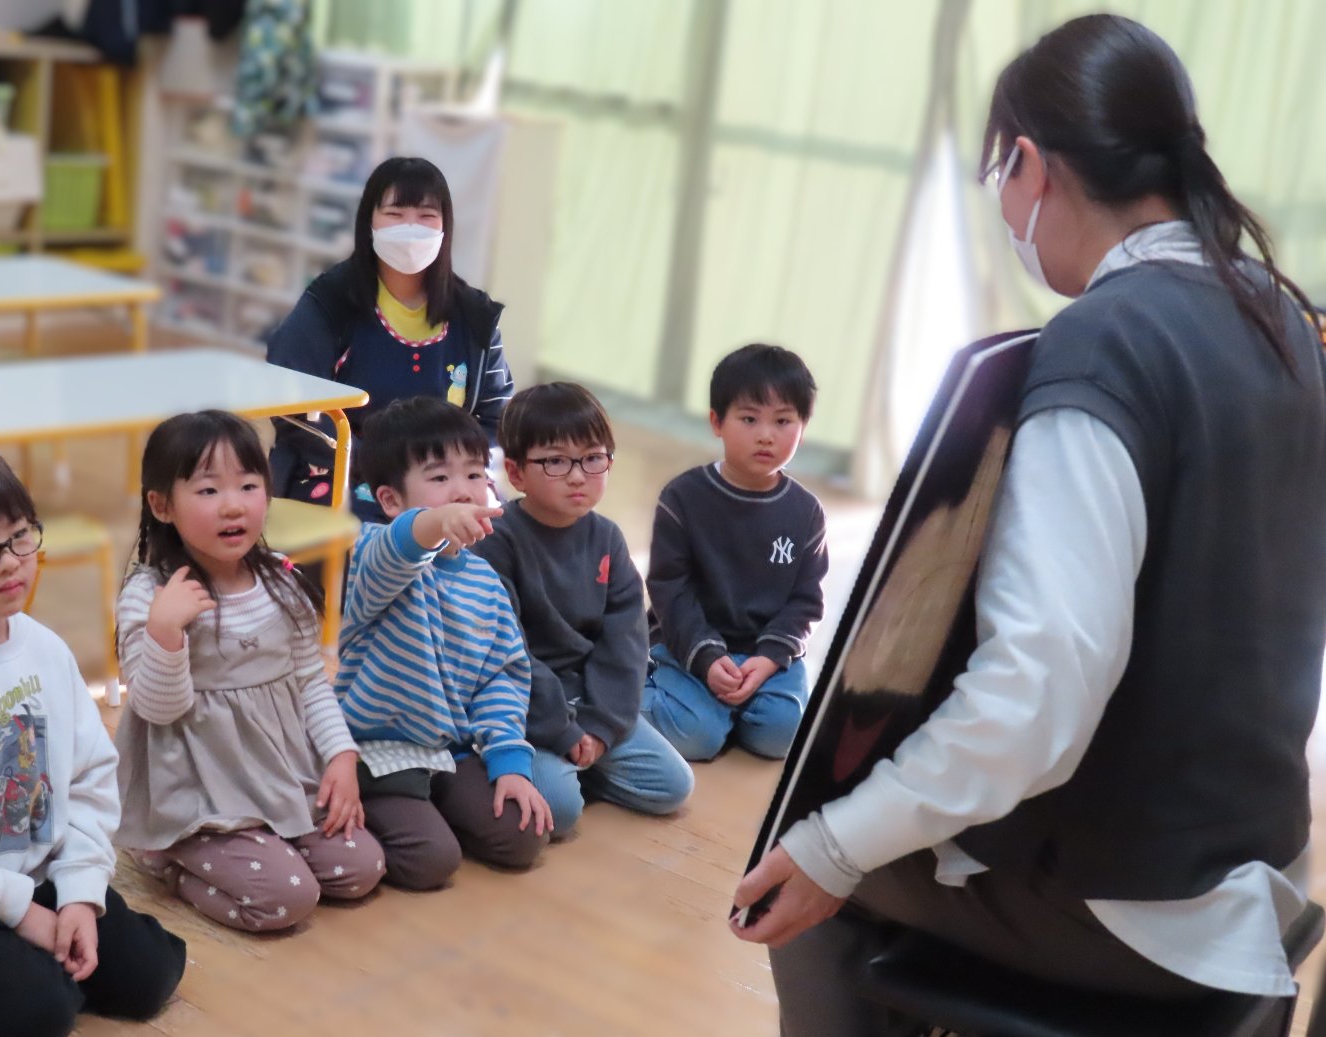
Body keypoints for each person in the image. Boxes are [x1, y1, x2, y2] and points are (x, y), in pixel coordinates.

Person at [732, 14, 1326, 1035]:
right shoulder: (1279, 314)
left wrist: (831, 847)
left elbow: (1036, 693)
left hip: (1140, 902)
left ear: (1028, 164)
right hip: (1255, 848)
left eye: (996, 177)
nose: (1004, 208)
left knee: (804, 876)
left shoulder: (1103, 345)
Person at [0, 441, 186, 1036]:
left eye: (20, 536)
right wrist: (19, 912)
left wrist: (80, 894)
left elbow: (90, 776)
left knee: (150, 974)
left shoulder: (43, 647)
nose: (10, 562)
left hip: (38, 875)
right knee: (39, 1011)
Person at [113, 411, 385, 933]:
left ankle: (264, 843)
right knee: (286, 898)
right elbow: (157, 710)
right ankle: (166, 856)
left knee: (360, 869)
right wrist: (165, 633)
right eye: (208, 490)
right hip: (200, 792)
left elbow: (310, 682)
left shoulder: (281, 579)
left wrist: (341, 756)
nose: (233, 505)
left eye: (248, 485)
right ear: (162, 506)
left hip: (279, 774)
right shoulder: (150, 595)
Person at [335, 397, 552, 889]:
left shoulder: (486, 582)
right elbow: (400, 547)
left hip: (449, 751)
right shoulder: (372, 549)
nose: (462, 491)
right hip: (376, 750)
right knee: (433, 861)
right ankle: (351, 813)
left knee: (523, 837)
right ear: (391, 500)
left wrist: (509, 763)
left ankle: (434, 812)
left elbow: (500, 679)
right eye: (439, 478)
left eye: (474, 474)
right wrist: (434, 524)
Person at [472, 383, 695, 833]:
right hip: (525, 703)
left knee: (673, 786)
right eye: (555, 461)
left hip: (589, 696)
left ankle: (577, 766)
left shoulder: (607, 537)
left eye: (593, 458)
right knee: (560, 811)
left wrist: (599, 727)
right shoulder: (496, 541)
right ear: (515, 472)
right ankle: (541, 767)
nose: (578, 476)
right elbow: (505, 653)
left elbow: (625, 641)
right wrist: (563, 731)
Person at [266, 155, 514, 520]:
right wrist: (384, 467)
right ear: (369, 221)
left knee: (495, 529)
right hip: (344, 472)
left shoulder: (475, 316)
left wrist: (450, 474)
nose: (411, 228)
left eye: (426, 216)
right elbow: (290, 405)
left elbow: (496, 415)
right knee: (372, 535)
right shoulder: (331, 302)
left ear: (445, 226)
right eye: (395, 214)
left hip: (447, 481)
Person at [641, 344, 827, 761]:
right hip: (689, 642)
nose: (766, 435)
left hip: (766, 652)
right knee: (697, 739)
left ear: (803, 427)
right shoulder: (683, 497)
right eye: (749, 419)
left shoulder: (807, 512)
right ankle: (639, 693)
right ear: (717, 422)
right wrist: (707, 658)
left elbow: (806, 601)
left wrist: (769, 658)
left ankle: (728, 711)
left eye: (783, 421)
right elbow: (670, 591)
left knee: (781, 737)